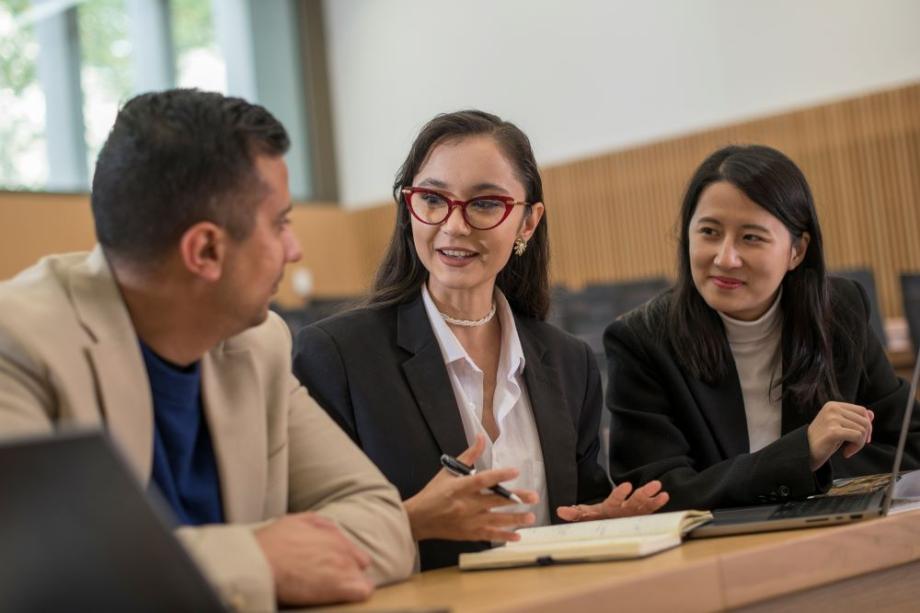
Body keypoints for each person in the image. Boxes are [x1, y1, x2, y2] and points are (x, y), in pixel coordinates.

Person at [0, 89, 414, 611]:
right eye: (280, 223)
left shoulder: (259, 345)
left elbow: (383, 523)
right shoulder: (16, 340)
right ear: (205, 250)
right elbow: (32, 579)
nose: (295, 249)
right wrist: (259, 559)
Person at [292, 110, 668, 571]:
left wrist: (601, 520)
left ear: (528, 223)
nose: (453, 225)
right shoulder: (336, 356)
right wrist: (410, 520)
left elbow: (576, 508)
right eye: (432, 198)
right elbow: (309, 534)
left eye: (486, 204)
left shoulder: (570, 363)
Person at [606, 144, 920, 511]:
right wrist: (800, 457)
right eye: (708, 231)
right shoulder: (642, 340)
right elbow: (657, 492)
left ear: (797, 251)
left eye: (751, 237)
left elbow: (908, 445)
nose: (725, 258)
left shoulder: (837, 311)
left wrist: (809, 467)